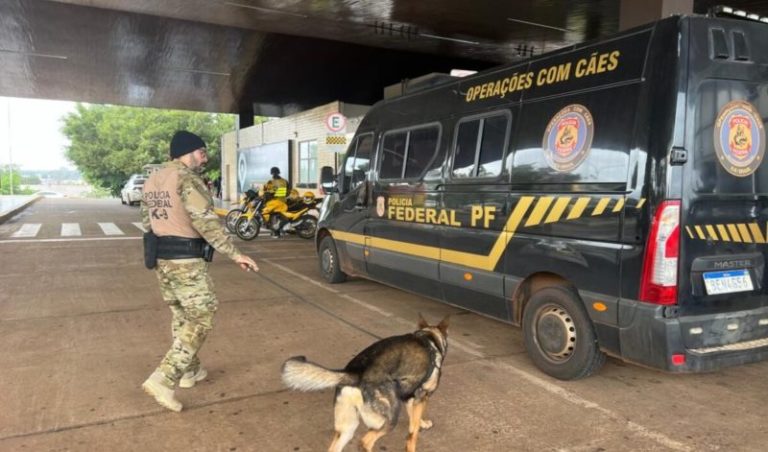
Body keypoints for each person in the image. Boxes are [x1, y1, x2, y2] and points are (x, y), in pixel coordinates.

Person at [140, 130, 259, 412]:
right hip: (186, 260)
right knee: (203, 315)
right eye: (201, 152)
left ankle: (190, 372)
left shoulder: (153, 179)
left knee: (182, 314)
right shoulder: (187, 179)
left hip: (162, 258)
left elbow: (147, 223)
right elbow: (205, 222)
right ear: (188, 152)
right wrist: (235, 253)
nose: (204, 157)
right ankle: (164, 378)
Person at [262, 167, 290, 237]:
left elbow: (265, 190)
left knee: (272, 217)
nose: (274, 174)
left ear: (272, 173)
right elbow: (288, 191)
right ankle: (279, 231)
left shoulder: (270, 182)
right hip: (283, 202)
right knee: (279, 217)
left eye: (274, 173)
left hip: (274, 203)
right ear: (279, 172)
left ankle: (275, 232)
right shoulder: (284, 181)